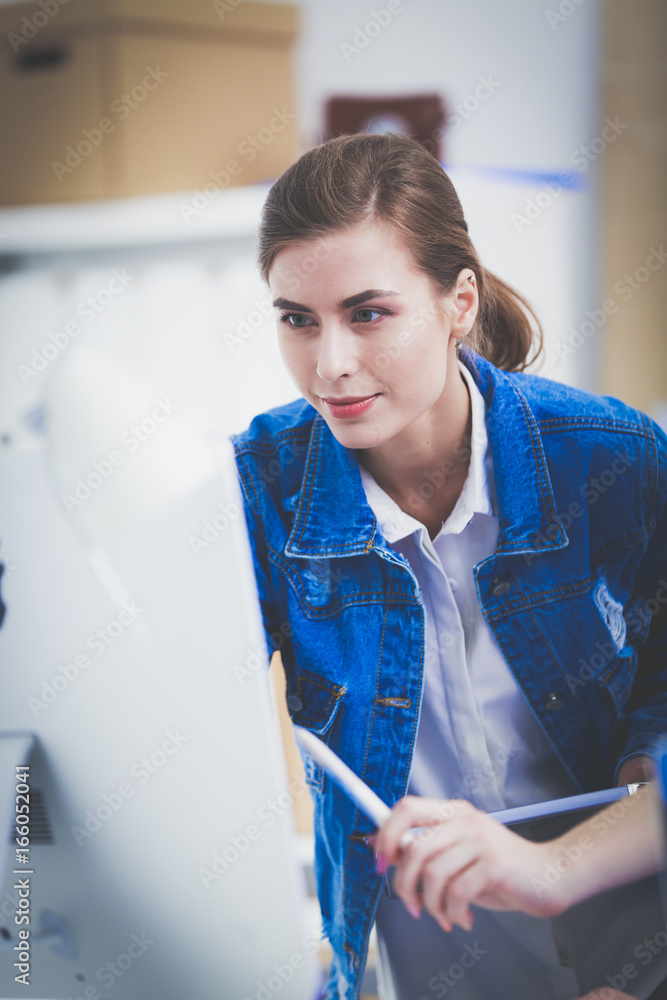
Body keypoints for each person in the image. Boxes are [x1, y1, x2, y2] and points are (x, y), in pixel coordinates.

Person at [230, 132, 667, 1000]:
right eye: (296, 319)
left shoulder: (612, 461)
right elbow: (170, 728)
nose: (330, 366)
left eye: (369, 312)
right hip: (406, 975)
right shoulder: (260, 489)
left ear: (458, 301)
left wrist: (560, 881)